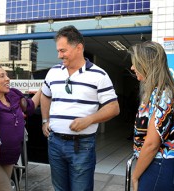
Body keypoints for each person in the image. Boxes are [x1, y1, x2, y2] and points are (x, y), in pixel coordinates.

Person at [40, 25, 120, 191]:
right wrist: (45, 120)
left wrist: (89, 119)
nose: (59, 55)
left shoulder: (99, 75)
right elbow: (45, 95)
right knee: (59, 188)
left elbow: (113, 107)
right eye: (58, 51)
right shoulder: (53, 72)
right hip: (54, 142)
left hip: (82, 145)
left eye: (63, 51)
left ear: (79, 48)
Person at [128, 41, 174, 191]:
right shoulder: (160, 92)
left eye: (135, 63)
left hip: (160, 166)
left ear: (147, 65)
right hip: (160, 165)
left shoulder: (163, 95)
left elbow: (152, 144)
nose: (132, 68)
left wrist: (135, 175)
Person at [0, 64, 41, 191]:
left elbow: (30, 107)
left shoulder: (13, 94)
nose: (7, 79)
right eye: (2, 76)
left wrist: (43, 88)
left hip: (10, 157)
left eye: (7, 75)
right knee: (5, 188)